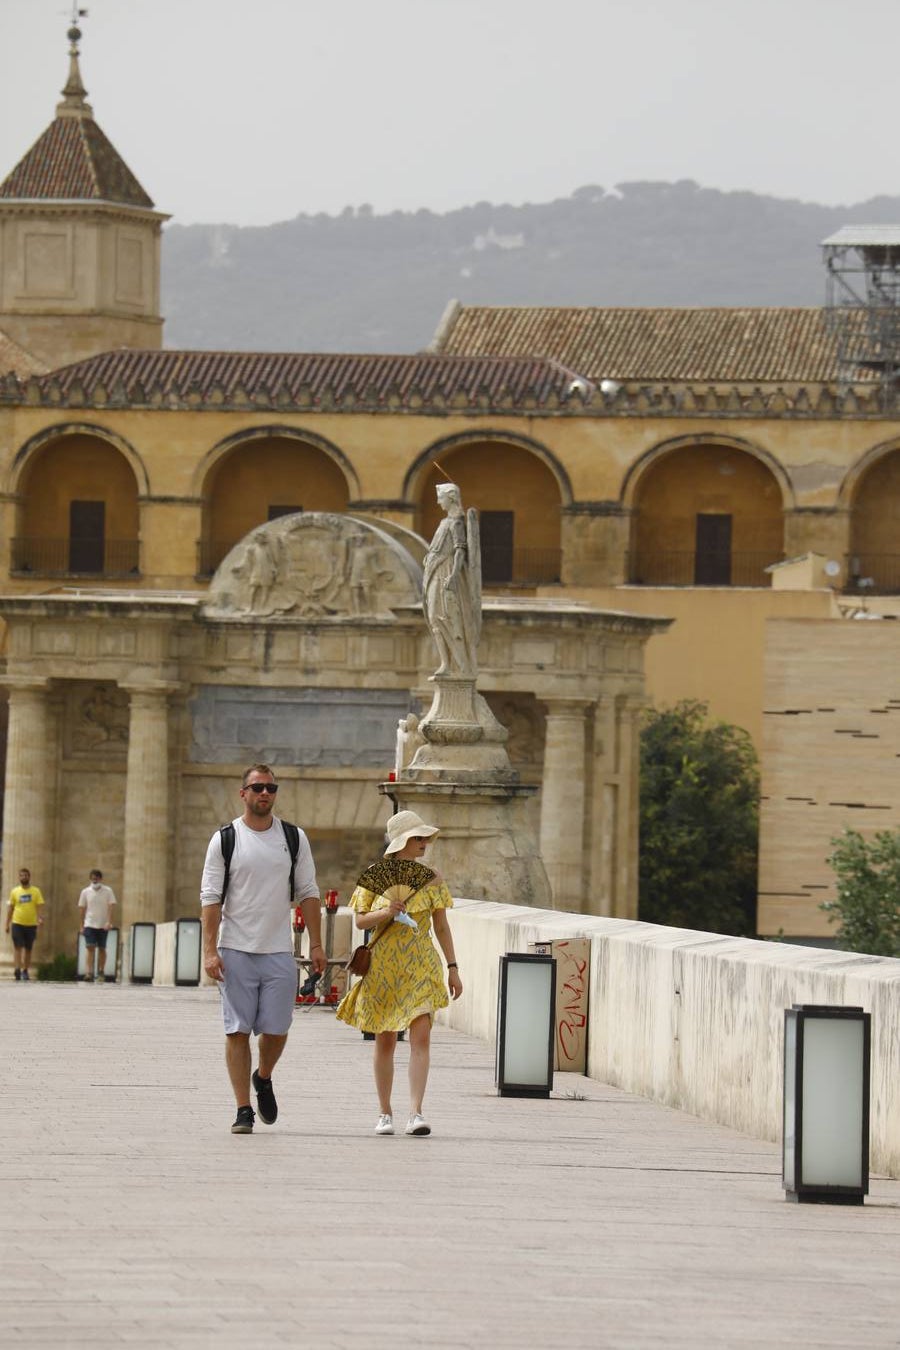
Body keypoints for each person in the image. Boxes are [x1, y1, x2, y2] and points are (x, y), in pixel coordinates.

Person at [200, 763, 325, 1135]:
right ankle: (243, 1109)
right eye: (257, 788)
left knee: (277, 1027)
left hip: (277, 950)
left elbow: (309, 891)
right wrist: (210, 950)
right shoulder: (225, 839)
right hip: (235, 947)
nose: (265, 794)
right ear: (244, 794)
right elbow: (210, 897)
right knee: (237, 1030)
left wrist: (316, 943)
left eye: (271, 788)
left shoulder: (293, 837)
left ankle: (264, 1075)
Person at [336, 809, 463, 1137]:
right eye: (417, 838)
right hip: (384, 967)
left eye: (425, 838)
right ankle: (384, 1112)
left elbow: (442, 926)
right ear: (402, 841)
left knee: (421, 1037)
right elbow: (360, 920)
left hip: (421, 964)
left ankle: (416, 1111)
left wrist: (453, 968)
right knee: (385, 1041)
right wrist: (386, 911)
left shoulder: (432, 879)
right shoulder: (376, 875)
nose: (423, 843)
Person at [422, 482, 481, 679]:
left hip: (445, 573)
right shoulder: (443, 522)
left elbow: (460, 550)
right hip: (435, 571)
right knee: (433, 618)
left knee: (446, 617)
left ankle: (456, 663)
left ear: (452, 497)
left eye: (441, 497)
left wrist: (454, 575)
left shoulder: (456, 522)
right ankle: (445, 663)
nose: (438, 502)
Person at [5, 867, 45, 981]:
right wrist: (7, 924)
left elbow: (39, 906)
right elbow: (10, 908)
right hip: (17, 923)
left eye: (26, 875)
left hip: (31, 924)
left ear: (29, 877)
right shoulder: (15, 891)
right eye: (22, 875)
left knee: (28, 948)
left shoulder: (36, 891)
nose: (24, 877)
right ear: (19, 877)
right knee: (18, 947)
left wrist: (40, 918)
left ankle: (25, 970)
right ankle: (17, 969)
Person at [78, 869, 117, 982]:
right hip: (89, 923)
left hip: (103, 924)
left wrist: (109, 922)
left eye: (97, 878)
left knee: (102, 948)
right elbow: (82, 908)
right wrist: (81, 925)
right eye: (93, 878)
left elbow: (111, 906)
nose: (95, 880)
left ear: (100, 879)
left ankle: (101, 971)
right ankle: (88, 972)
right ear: (90, 879)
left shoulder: (108, 891)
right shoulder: (85, 891)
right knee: (90, 947)